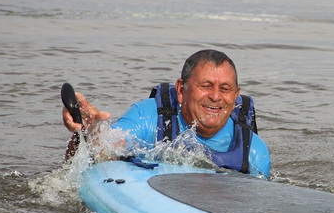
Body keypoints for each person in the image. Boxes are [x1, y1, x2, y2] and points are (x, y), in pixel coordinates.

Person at [62, 49, 271, 177]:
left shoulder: (254, 153)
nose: (216, 97)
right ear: (181, 90)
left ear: (235, 96)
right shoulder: (147, 117)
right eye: (206, 86)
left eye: (225, 89)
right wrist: (89, 132)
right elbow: (103, 151)